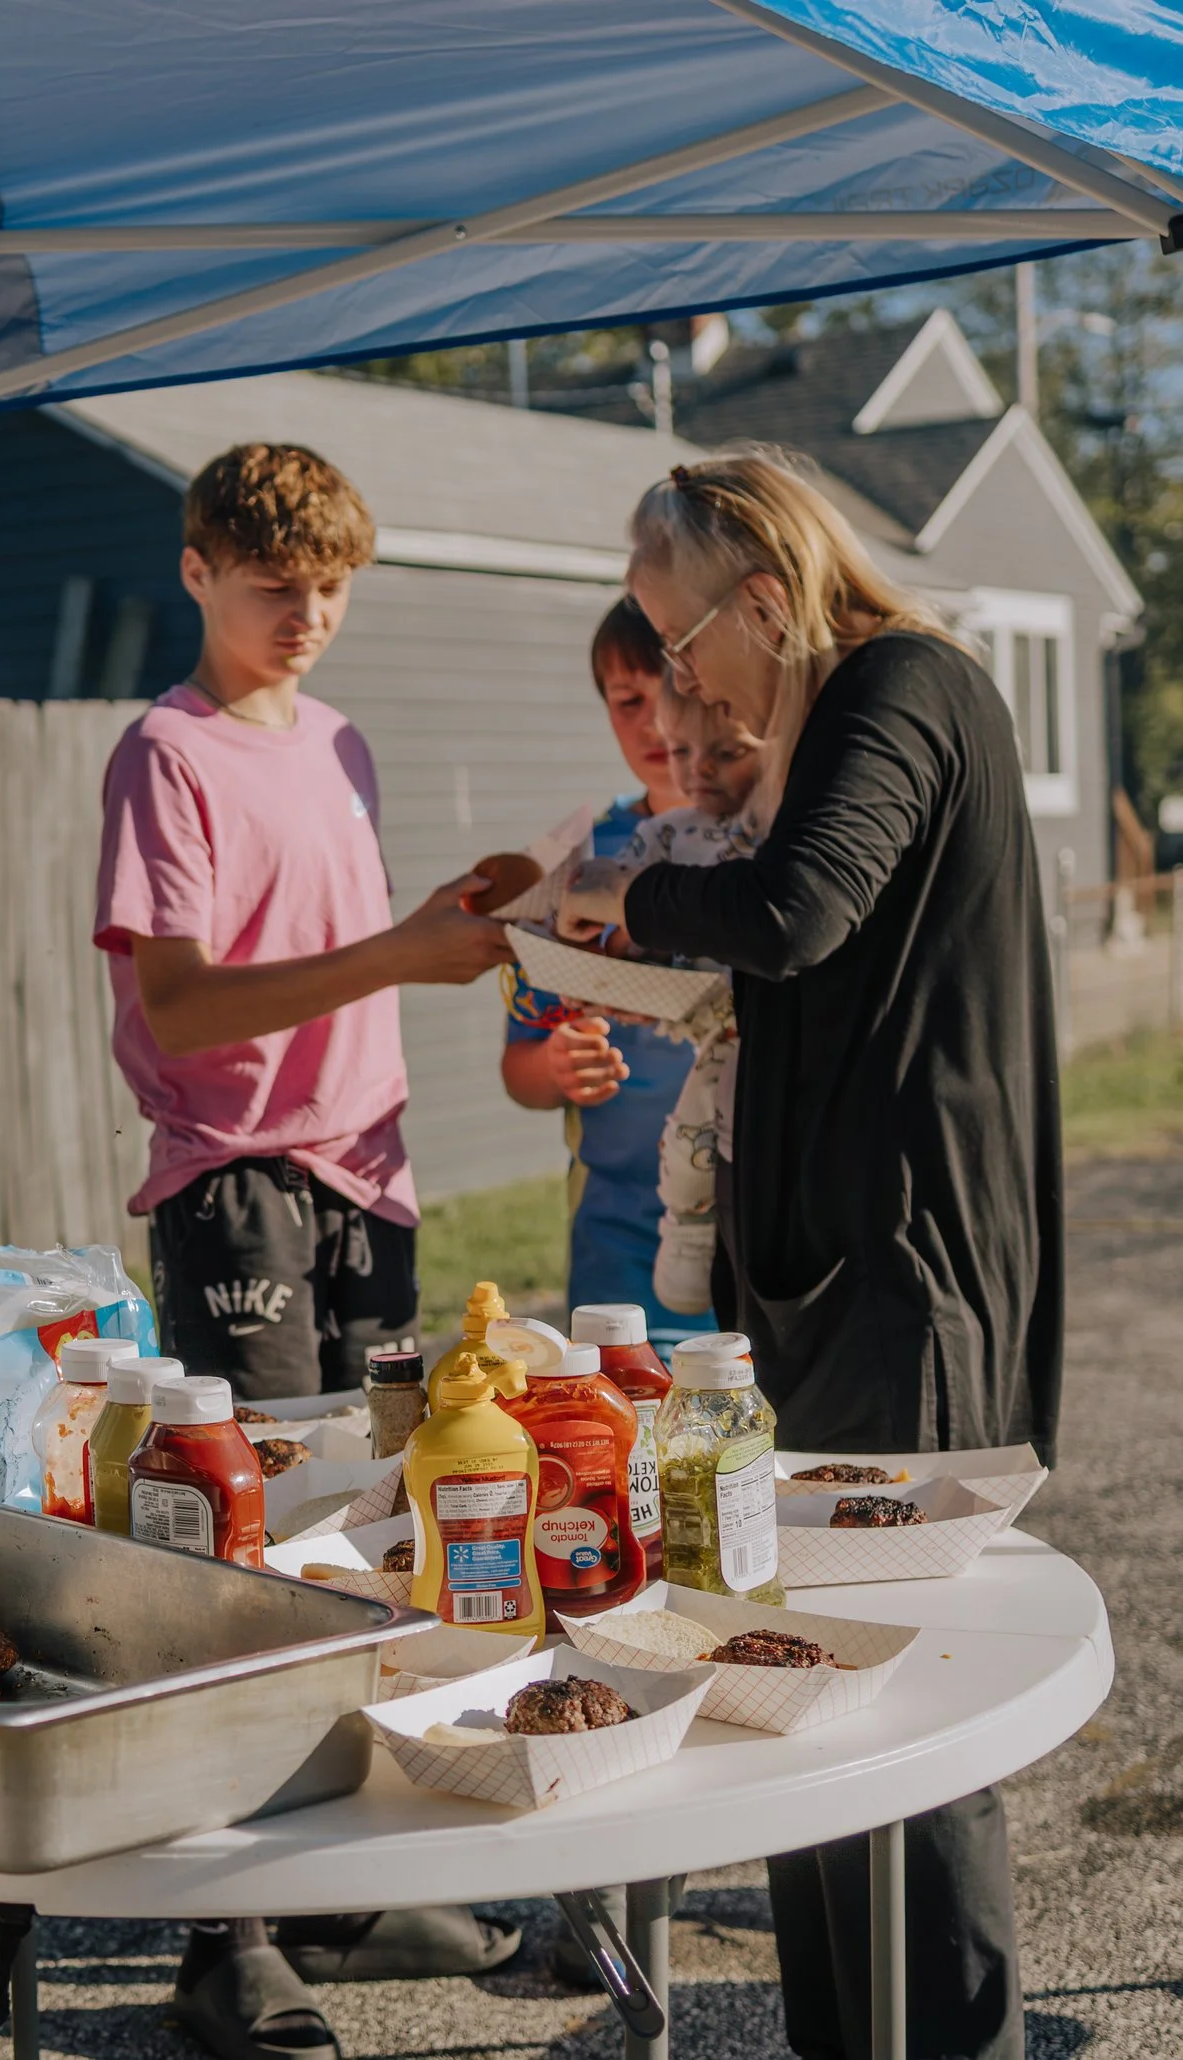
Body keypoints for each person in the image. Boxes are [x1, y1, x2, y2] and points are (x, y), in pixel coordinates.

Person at [561, 451, 1058, 2060]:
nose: (677, 684)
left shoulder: (900, 686)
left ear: (763, 602)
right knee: (794, 1676)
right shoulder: (821, 724)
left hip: (903, 1274)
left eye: (680, 645)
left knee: (897, 1709)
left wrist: (625, 898)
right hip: (818, 1277)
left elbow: (794, 918)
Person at [93, 443, 519, 2060]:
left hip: (374, 1185)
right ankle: (225, 1936)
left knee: (366, 1535)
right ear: (197, 569)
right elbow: (186, 1006)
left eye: (335, 588)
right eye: (279, 589)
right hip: (237, 1189)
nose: (312, 618)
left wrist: (444, 922)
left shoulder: (339, 739)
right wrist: (399, 952)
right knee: (236, 1558)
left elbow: (337, 954)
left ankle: (330, 1892)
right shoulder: (165, 755)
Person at [498, 600, 704, 1343]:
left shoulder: (780, 844)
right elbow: (518, 1067)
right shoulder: (573, 859)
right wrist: (554, 1066)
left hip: (764, 1227)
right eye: (629, 702)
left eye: (677, 690)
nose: (656, 723)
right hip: (621, 1239)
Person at [614, 675, 765, 1314]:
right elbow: (623, 924)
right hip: (709, 1029)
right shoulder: (667, 836)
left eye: (726, 753)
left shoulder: (781, 830)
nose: (698, 770)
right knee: (689, 1142)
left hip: (768, 1029)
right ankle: (688, 1235)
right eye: (681, 752)